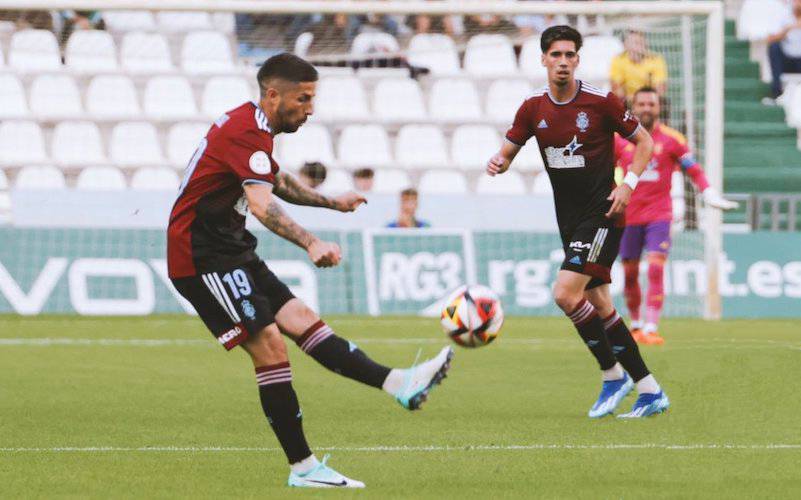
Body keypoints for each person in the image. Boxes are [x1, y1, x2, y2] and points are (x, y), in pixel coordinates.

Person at [167, 53, 454, 489]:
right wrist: (311, 242)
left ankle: (400, 383)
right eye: (303, 99)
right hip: (200, 257)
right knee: (270, 348)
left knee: (302, 320)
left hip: (230, 248)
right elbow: (262, 205)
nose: (310, 109)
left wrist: (331, 202)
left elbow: (275, 183)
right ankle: (303, 468)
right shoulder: (246, 131)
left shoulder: (254, 128)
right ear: (272, 94)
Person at [487, 25, 668, 419]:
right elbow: (507, 152)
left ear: (578, 60)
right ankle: (650, 390)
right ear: (544, 60)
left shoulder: (602, 101)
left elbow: (646, 143)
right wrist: (498, 162)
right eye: (556, 55)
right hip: (568, 219)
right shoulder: (532, 108)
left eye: (570, 55)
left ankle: (612, 376)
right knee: (600, 303)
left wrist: (628, 185)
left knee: (566, 295)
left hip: (603, 214)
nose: (563, 62)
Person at [614, 87, 738, 345]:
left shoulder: (672, 139)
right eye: (642, 104)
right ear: (633, 107)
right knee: (630, 272)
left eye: (651, 103)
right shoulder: (619, 140)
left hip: (659, 214)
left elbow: (694, 170)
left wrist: (709, 192)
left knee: (657, 267)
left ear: (659, 107)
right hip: (628, 215)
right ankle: (635, 325)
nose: (647, 108)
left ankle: (650, 327)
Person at [609, 30, 668, 103]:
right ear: (625, 45)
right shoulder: (618, 60)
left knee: (663, 102)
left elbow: (660, 87)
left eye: (641, 43)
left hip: (650, 100)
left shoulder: (656, 59)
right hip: (627, 102)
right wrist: (634, 100)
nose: (639, 47)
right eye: (635, 43)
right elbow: (616, 87)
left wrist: (644, 100)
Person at [764, 0, 801, 105]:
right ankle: (776, 92)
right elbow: (769, 39)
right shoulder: (783, 14)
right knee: (774, 47)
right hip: (787, 60)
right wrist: (787, 29)